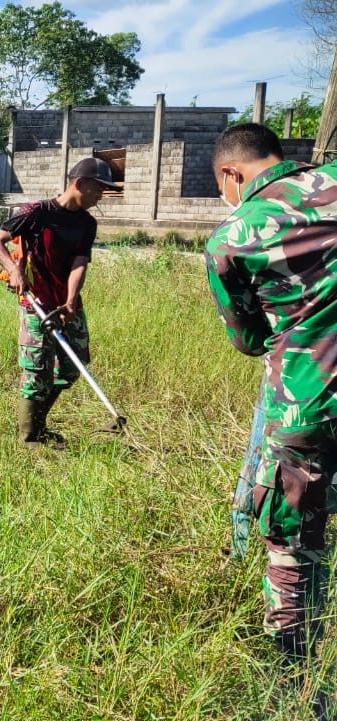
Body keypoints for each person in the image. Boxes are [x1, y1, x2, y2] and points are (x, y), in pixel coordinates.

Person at [205, 122, 337, 670]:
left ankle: (293, 675)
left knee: (291, 543)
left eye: (220, 186)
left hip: (308, 403)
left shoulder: (233, 236)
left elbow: (250, 339)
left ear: (232, 174)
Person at [0, 157, 117, 448]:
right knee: (36, 369)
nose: (101, 196)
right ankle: (30, 437)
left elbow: (79, 264)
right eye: (98, 189)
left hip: (65, 305)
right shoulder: (36, 213)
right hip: (36, 301)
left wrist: (70, 302)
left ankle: (40, 422)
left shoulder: (87, 224)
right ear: (79, 183)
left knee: (73, 365)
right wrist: (13, 269)